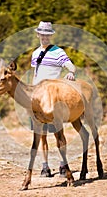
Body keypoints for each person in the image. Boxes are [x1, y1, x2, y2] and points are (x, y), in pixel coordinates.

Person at [31, 21, 76, 177]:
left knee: (58, 134)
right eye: (42, 34)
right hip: (38, 99)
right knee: (41, 135)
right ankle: (45, 167)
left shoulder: (58, 52)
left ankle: (63, 165)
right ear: (38, 35)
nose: (44, 37)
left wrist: (71, 72)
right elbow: (35, 75)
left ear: (51, 36)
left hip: (53, 98)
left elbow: (70, 66)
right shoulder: (35, 53)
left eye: (47, 35)